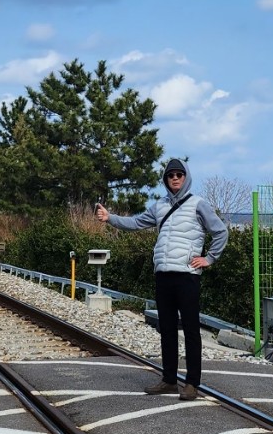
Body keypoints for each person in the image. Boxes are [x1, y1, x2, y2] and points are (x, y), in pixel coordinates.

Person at [96, 160, 228, 400]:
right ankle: (168, 379)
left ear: (186, 177)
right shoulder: (159, 206)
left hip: (187, 276)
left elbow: (221, 231)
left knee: (190, 330)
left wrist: (209, 258)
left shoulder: (199, 204)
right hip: (163, 275)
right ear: (166, 180)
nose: (175, 178)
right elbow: (135, 223)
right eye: (170, 176)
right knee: (166, 329)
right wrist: (110, 218)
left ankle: (191, 384)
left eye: (179, 174)